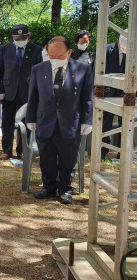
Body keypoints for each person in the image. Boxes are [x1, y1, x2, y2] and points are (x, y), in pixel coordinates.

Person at [26, 36, 93, 205]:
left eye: (60, 56)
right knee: (46, 158)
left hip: (70, 122)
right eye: (51, 56)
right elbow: (33, 96)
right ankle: (48, 187)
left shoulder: (82, 69)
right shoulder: (38, 69)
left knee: (68, 158)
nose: (55, 59)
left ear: (69, 52)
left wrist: (87, 120)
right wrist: (31, 118)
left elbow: (87, 97)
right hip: (45, 121)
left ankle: (65, 189)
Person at [0, 24, 42, 160]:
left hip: (27, 92)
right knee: (7, 122)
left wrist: (36, 93)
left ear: (28, 36)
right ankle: (7, 150)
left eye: (22, 38)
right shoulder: (5, 49)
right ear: (13, 37)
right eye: (17, 38)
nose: (19, 41)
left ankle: (23, 150)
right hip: (9, 91)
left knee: (27, 122)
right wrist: (0, 91)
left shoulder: (35, 49)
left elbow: (39, 72)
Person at [101, 34, 126, 159]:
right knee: (105, 124)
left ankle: (122, 153)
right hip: (108, 93)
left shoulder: (134, 52)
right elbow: (98, 70)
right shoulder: (106, 50)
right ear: (118, 41)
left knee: (125, 125)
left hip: (126, 94)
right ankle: (102, 152)